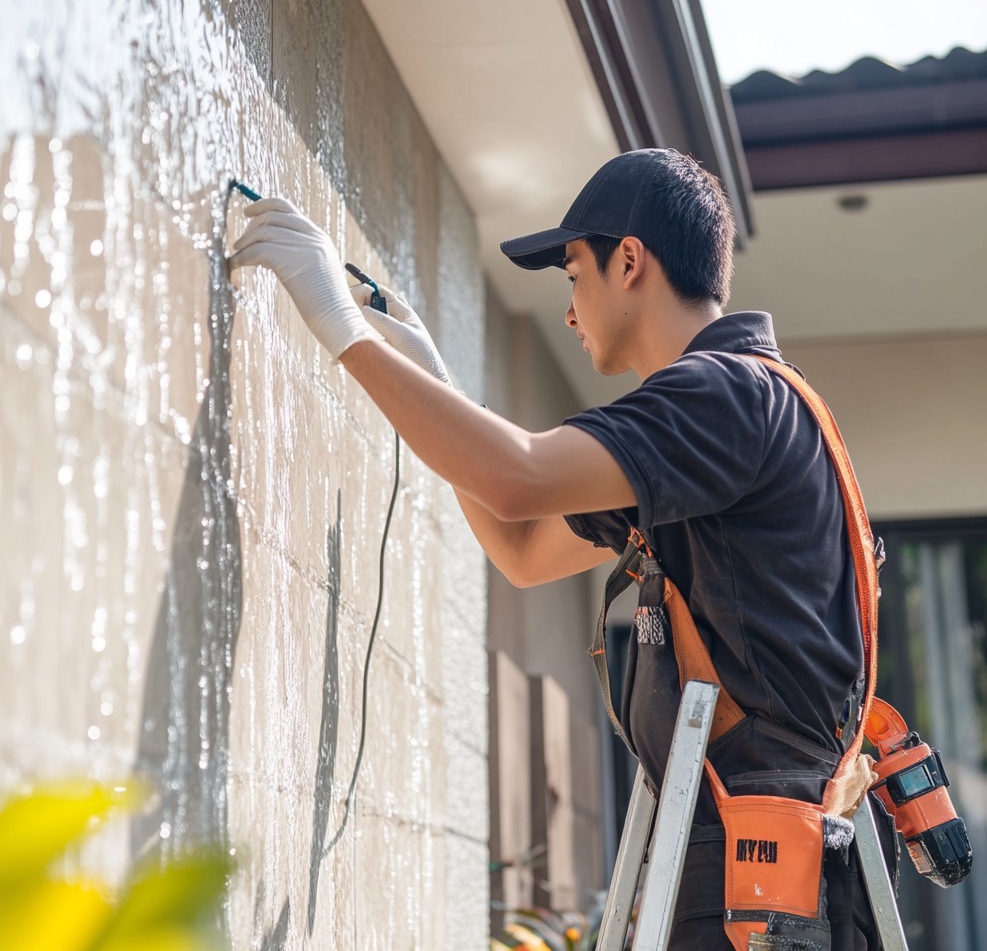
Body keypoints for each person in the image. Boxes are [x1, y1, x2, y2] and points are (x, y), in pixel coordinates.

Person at [231, 148, 884, 949]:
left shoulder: (723, 396)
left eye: (575, 275)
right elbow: (524, 548)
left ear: (631, 262)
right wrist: (434, 381)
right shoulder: (723, 419)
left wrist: (339, 326)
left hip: (745, 863)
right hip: (738, 842)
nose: (570, 313)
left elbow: (517, 477)